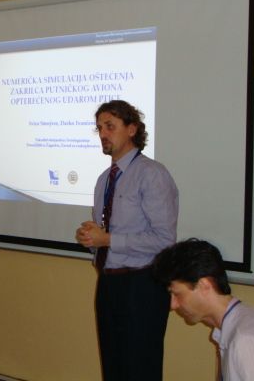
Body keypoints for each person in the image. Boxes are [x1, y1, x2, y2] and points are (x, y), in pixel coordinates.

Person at [75, 100, 179, 381]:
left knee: (140, 369)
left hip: (143, 285)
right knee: (113, 365)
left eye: (110, 126)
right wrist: (92, 238)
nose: (103, 134)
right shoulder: (104, 180)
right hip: (108, 283)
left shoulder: (152, 174)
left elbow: (164, 240)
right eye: (99, 128)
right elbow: (108, 231)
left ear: (132, 129)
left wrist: (107, 239)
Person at [153, 239, 254, 381]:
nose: (173, 305)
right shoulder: (235, 327)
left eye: (177, 294)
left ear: (204, 285)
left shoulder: (247, 342)